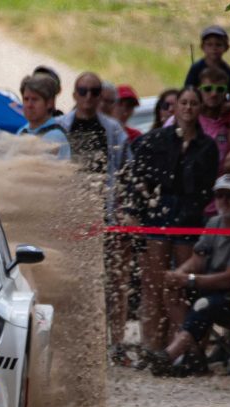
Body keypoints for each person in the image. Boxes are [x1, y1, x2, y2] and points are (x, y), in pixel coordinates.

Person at [124, 86, 219, 354]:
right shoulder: (156, 140)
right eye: (184, 103)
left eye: (193, 103)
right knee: (154, 285)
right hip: (158, 217)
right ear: (175, 108)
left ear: (199, 109)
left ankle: (184, 349)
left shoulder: (207, 146)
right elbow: (140, 177)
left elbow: (205, 187)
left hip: (188, 220)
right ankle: (153, 347)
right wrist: (139, 210)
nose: (188, 108)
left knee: (182, 286)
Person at [146, 174, 230, 376]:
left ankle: (170, 354)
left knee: (203, 304)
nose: (224, 201)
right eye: (220, 195)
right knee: (172, 288)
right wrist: (178, 275)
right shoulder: (214, 222)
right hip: (208, 285)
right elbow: (198, 258)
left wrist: (190, 279)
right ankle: (195, 355)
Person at [56, 72, 129, 359]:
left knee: (112, 281)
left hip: (104, 214)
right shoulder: (60, 127)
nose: (88, 97)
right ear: (74, 94)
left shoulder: (114, 130)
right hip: (70, 214)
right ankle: (78, 342)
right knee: (74, 280)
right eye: (83, 91)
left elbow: (127, 171)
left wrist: (124, 210)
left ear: (100, 97)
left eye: (93, 92)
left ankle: (117, 343)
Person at [166, 67, 230, 217]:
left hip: (219, 206)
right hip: (184, 205)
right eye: (208, 89)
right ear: (199, 91)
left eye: (220, 89)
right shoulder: (182, 118)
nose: (214, 94)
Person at [16, 74, 70, 159]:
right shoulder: (22, 131)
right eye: (26, 99)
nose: (29, 105)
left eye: (35, 99)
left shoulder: (55, 136)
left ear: (49, 103)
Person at [183, 25, 230, 100]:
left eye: (218, 45)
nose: (214, 48)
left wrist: (226, 106)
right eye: (209, 44)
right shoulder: (196, 68)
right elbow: (187, 91)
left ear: (226, 47)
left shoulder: (227, 70)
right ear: (202, 47)